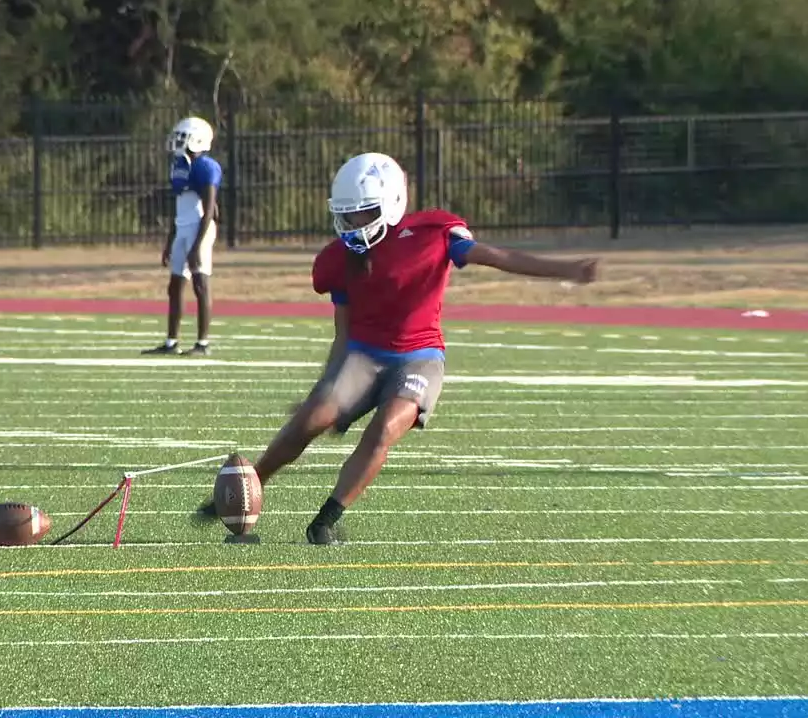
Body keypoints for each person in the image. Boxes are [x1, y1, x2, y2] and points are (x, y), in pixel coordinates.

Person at [194, 152, 600, 544]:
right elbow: (344, 330)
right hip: (363, 356)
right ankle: (245, 488)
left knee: (385, 427)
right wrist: (325, 385)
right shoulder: (338, 260)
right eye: (347, 213)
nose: (353, 222)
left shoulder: (432, 235)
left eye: (363, 212)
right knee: (310, 419)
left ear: (390, 205)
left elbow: (496, 256)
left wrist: (565, 270)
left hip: (419, 356)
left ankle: (326, 521)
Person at [142, 116, 222, 356]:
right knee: (175, 285)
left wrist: (197, 245)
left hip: (200, 229)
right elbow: (180, 205)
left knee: (200, 283)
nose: (178, 141)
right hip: (183, 227)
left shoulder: (206, 166)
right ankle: (170, 342)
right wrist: (170, 240)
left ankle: (202, 344)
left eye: (182, 137)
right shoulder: (180, 165)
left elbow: (209, 209)